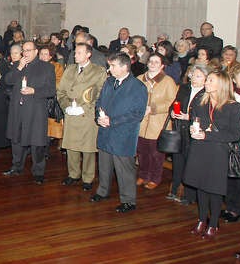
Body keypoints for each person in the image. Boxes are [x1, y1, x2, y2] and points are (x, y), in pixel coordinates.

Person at [183, 71, 240, 239]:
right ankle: (202, 219)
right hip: (199, 149)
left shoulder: (233, 106)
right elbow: (194, 120)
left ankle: (214, 223)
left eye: (210, 80)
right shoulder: (200, 101)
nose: (206, 82)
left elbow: (236, 134)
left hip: (218, 153)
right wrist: (194, 129)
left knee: (214, 189)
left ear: (221, 85)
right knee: (201, 186)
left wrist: (207, 135)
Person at [90, 52, 148, 213]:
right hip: (105, 130)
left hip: (123, 134)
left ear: (124, 67)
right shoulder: (109, 82)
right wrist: (98, 116)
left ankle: (128, 200)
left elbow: (137, 113)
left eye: (113, 66)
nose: (109, 69)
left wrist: (112, 121)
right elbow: (99, 102)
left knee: (124, 169)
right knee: (104, 164)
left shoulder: (137, 87)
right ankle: (103, 191)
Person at [2, 41, 57, 184]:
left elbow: (51, 90)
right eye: (23, 51)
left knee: (37, 142)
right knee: (16, 139)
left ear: (36, 51)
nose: (25, 53)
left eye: (28, 50)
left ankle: (38, 172)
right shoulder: (17, 65)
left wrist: (35, 91)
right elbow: (7, 80)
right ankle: (16, 166)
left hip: (35, 110)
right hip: (18, 109)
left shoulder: (47, 67)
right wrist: (18, 67)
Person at [57, 43, 107, 191]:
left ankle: (88, 177)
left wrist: (82, 108)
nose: (75, 55)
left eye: (79, 53)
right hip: (71, 114)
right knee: (71, 147)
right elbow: (61, 92)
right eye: (75, 53)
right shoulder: (70, 69)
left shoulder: (98, 71)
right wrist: (67, 106)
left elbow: (100, 95)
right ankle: (73, 174)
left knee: (88, 148)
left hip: (87, 114)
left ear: (88, 54)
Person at [166, 64, 208, 206]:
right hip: (180, 130)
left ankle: (189, 195)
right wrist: (172, 111)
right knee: (178, 162)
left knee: (191, 164)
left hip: (194, 132)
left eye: (198, 76)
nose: (193, 78)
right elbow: (175, 103)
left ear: (206, 78)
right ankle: (175, 188)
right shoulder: (184, 88)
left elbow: (206, 116)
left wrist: (188, 117)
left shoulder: (207, 93)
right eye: (192, 75)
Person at [136, 53, 177, 190]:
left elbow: (171, 102)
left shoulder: (168, 81)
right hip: (141, 123)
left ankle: (155, 177)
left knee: (156, 154)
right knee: (142, 152)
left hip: (158, 123)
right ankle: (143, 175)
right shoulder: (139, 79)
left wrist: (153, 108)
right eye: (151, 61)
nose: (153, 64)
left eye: (156, 62)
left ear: (162, 65)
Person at [221, 64, 240, 223]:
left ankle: (236, 209)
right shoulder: (227, 97)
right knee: (227, 177)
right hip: (225, 143)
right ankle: (227, 206)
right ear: (233, 79)